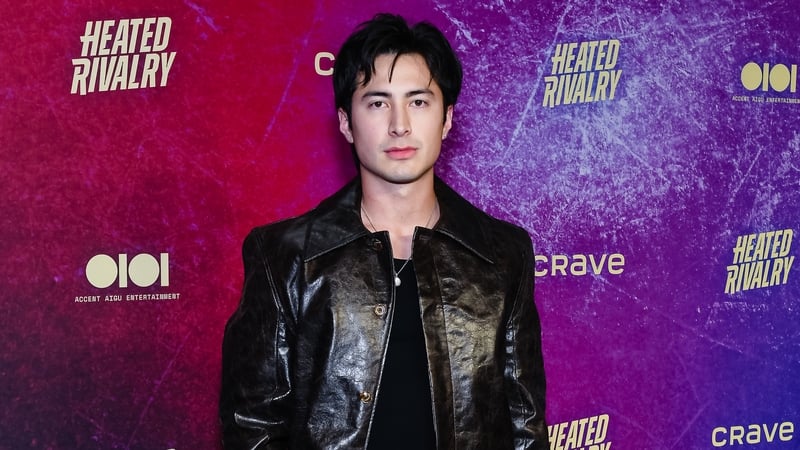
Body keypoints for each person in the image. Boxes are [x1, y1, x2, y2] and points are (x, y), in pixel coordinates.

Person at [220, 13, 548, 450]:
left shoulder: (503, 254)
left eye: (418, 102)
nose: (399, 125)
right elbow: (253, 429)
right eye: (377, 102)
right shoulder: (285, 256)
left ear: (447, 119)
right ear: (345, 122)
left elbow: (525, 427)